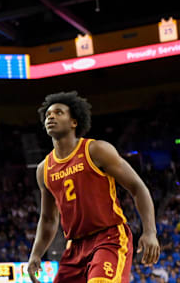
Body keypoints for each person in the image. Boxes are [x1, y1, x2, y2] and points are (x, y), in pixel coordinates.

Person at [28, 91, 160, 283]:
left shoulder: (96, 150)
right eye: (48, 114)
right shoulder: (43, 169)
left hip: (109, 238)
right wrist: (36, 254)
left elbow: (138, 188)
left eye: (58, 113)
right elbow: (48, 219)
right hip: (74, 247)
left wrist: (150, 232)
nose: (51, 117)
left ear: (74, 122)